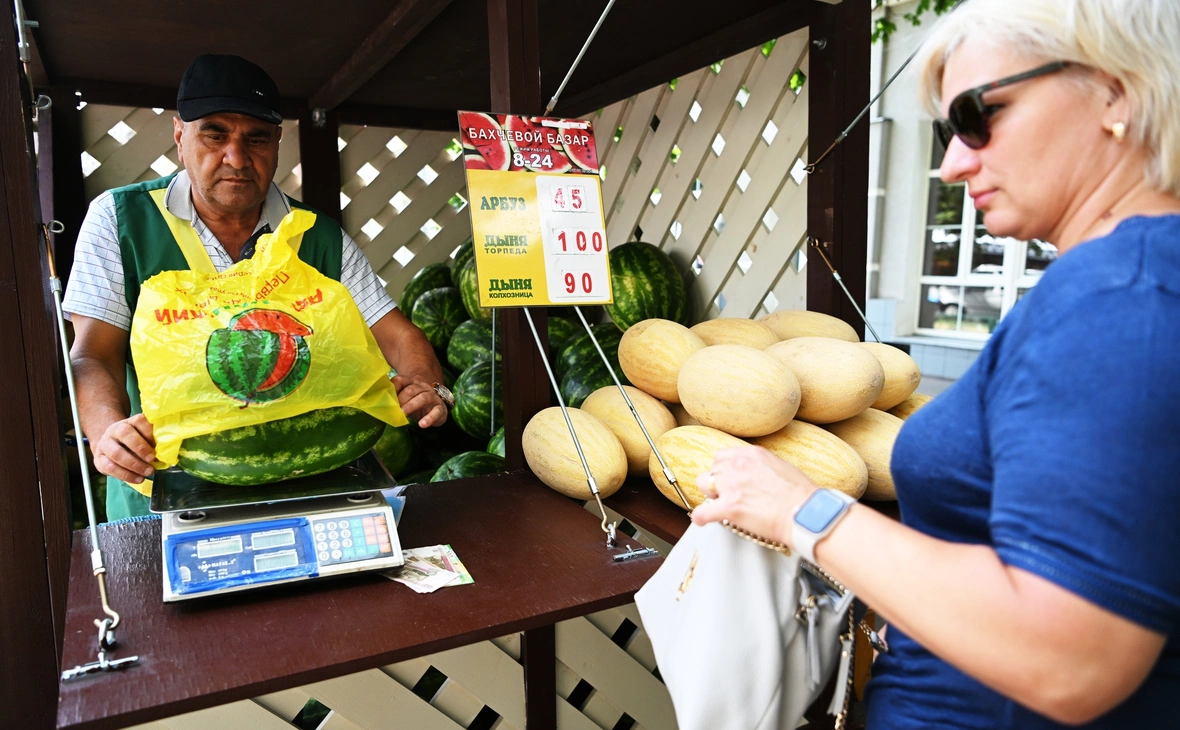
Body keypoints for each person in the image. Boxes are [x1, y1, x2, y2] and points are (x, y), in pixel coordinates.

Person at [691, 0, 1180, 726]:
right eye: (948, 133)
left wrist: (803, 510)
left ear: (1116, 93)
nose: (952, 164)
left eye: (980, 116)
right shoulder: (1143, 282)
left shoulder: (1117, 296)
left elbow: (1067, 654)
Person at [63, 55, 451, 521]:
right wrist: (107, 433)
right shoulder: (121, 220)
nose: (237, 157)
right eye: (215, 134)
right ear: (180, 136)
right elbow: (92, 355)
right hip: (163, 495)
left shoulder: (316, 235)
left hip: (307, 488)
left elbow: (398, 335)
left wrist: (427, 386)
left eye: (257, 138)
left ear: (278, 142)